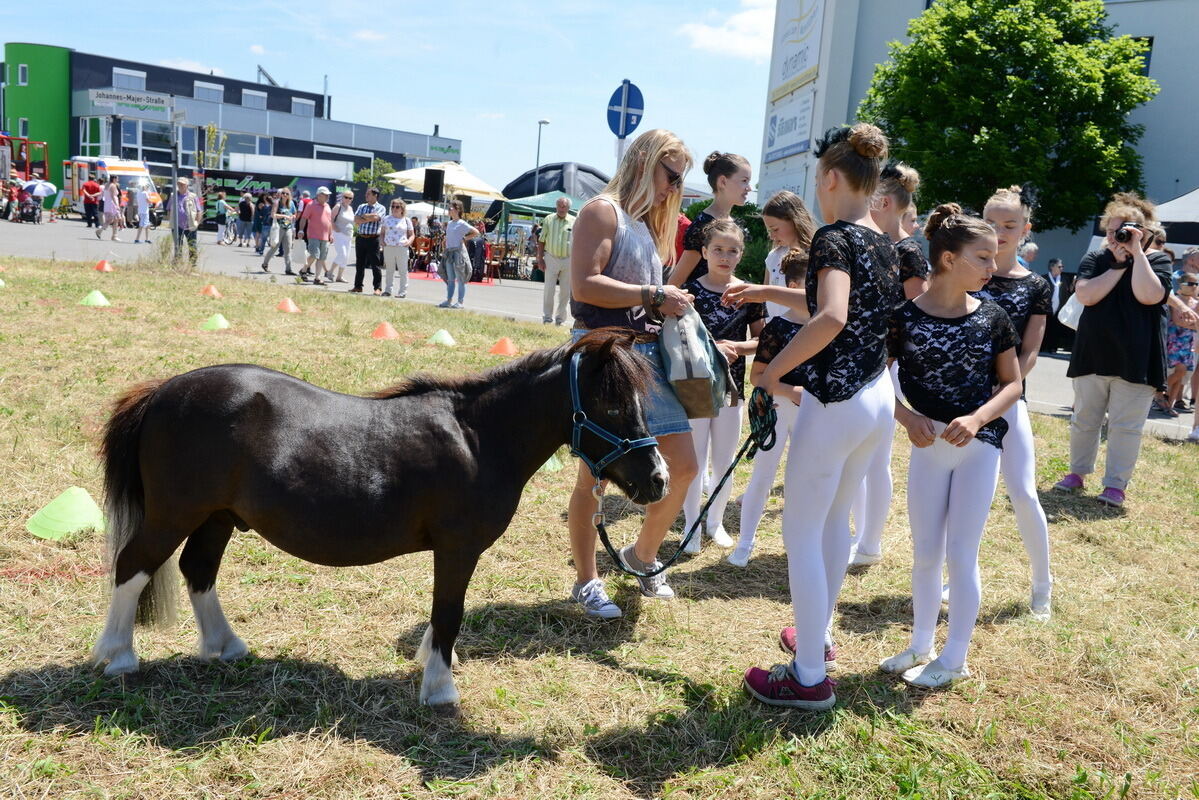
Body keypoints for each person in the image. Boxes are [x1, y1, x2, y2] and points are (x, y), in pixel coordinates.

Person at [731, 123, 901, 710]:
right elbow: (832, 307)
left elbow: (827, 317)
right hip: (875, 398)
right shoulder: (886, 241)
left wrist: (775, 374)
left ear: (830, 179)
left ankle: (807, 676)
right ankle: (818, 636)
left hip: (837, 400)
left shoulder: (833, 238)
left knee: (801, 529)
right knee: (832, 523)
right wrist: (764, 293)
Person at [882, 204, 1022, 688]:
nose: (992, 266)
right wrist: (904, 416)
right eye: (982, 257)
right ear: (946, 259)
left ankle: (954, 657)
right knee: (925, 553)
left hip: (978, 444)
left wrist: (980, 416)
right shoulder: (903, 318)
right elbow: (875, 378)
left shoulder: (994, 316)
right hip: (927, 446)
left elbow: (1013, 385)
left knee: (962, 554)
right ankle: (921, 644)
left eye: (994, 257)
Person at [567, 128, 697, 618]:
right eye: (671, 176)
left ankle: (641, 556)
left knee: (682, 467)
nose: (673, 188)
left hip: (647, 357)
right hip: (605, 357)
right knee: (594, 478)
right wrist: (652, 295)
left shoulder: (642, 224)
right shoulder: (603, 212)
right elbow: (584, 286)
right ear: (645, 163)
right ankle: (586, 580)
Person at [1054, 193, 1173, 507]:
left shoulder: (1158, 260)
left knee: (1126, 427)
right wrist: (1118, 266)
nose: (1116, 237)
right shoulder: (1096, 258)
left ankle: (1115, 486)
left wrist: (1136, 255)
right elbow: (1087, 295)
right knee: (1084, 419)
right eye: (1111, 231)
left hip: (1137, 359)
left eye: (1125, 230)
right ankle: (1077, 474)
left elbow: (1149, 295)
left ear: (1143, 232)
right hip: (1093, 353)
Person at [976, 185, 1054, 619]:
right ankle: (958, 577)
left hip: (1006, 402)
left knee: (1023, 493)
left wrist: (1004, 391)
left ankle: (1042, 584)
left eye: (1009, 225)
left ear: (1026, 229)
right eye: (990, 222)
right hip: (962, 405)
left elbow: (1031, 351)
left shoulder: (1037, 285)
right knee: (969, 499)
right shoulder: (965, 274)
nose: (999, 232)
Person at [847, 161, 930, 570]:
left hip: (891, 361)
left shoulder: (908, 251)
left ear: (882, 202)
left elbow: (916, 311)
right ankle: (861, 536)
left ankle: (870, 542)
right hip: (874, 357)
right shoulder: (875, 246)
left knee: (876, 457)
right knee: (863, 456)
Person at [680, 220, 766, 552]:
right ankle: (690, 525)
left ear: (741, 255)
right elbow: (678, 337)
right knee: (694, 461)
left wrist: (735, 347)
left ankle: (714, 522)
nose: (725, 256)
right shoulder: (691, 291)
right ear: (704, 252)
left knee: (724, 460)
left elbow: (761, 341)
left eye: (733, 250)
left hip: (732, 391)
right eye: (718, 249)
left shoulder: (749, 293)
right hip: (696, 387)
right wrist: (709, 347)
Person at [730, 249, 809, 567]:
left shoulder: (828, 326)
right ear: (790, 287)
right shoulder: (777, 328)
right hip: (778, 409)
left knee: (802, 480)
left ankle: (798, 545)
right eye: (808, 286)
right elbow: (757, 376)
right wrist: (792, 391)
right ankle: (745, 541)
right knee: (763, 475)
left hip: (812, 414)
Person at [668, 152, 751, 287]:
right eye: (744, 181)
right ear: (723, 182)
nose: (749, 188)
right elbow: (675, 282)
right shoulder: (702, 225)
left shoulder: (733, 223)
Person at [759, 191, 818, 319]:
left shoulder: (815, 255)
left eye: (775, 229)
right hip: (774, 330)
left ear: (794, 221)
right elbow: (765, 295)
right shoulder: (773, 256)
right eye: (769, 231)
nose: (771, 236)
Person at [536, 196, 574, 325]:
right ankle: (547, 317)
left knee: (565, 291)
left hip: (568, 259)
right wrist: (540, 259)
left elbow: (579, 242)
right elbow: (541, 240)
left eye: (564, 206)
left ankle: (560, 319)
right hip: (551, 257)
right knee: (549, 289)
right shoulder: (548, 219)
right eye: (559, 206)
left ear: (569, 208)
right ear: (556, 206)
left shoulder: (574, 221)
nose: (561, 209)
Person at [1165, 271, 1198, 414]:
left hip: (1188, 341)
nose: (1194, 287)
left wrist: (1189, 323)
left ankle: (1168, 403)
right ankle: (1159, 392)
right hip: (1174, 340)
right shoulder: (1175, 300)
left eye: (1196, 284)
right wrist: (1191, 323)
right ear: (1181, 284)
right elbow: (1177, 321)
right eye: (1190, 284)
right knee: (1179, 372)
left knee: (1181, 373)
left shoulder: (1196, 303)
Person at [438, 200, 478, 308]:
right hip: (449, 252)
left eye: (451, 208)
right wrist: (445, 241)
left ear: (457, 210)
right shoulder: (450, 223)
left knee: (460, 279)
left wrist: (465, 238)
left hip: (458, 253)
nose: (449, 210)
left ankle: (460, 302)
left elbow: (476, 232)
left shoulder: (462, 223)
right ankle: (449, 300)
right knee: (450, 279)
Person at [351, 188, 386, 294]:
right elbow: (356, 219)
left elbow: (376, 218)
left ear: (375, 195)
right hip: (361, 237)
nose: (366, 195)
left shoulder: (381, 208)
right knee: (359, 264)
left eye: (368, 194)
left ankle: (377, 288)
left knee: (375, 264)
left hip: (373, 239)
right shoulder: (362, 206)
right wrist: (367, 217)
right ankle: (358, 286)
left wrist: (364, 217)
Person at [298, 186, 335, 285]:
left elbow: (329, 222)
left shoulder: (327, 206)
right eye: (325, 195)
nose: (327, 197)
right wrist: (301, 230)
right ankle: (304, 269)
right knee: (314, 255)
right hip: (313, 235)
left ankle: (317, 278)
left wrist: (331, 234)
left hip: (325, 236)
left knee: (321, 258)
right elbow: (304, 218)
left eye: (328, 195)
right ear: (319, 195)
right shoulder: (311, 205)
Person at [380, 197, 414, 297]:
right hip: (389, 247)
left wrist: (408, 242)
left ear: (402, 208)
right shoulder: (386, 218)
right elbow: (382, 233)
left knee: (403, 271)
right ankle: (388, 290)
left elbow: (412, 234)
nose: (394, 208)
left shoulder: (406, 220)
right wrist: (382, 241)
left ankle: (402, 292)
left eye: (397, 206)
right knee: (389, 270)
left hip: (401, 247)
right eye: (393, 206)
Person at [1040, 258, 1075, 354]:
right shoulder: (1044, 278)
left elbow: (1068, 292)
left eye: (1062, 266)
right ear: (1052, 267)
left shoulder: (1064, 279)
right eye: (1059, 266)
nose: (1062, 268)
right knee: (1045, 329)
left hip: (1059, 309)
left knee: (1056, 330)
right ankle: (1043, 347)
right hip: (1046, 309)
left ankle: (1053, 347)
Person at [261, 188, 297, 275]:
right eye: (283, 193)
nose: (285, 195)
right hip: (279, 228)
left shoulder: (291, 203)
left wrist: (293, 216)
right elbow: (273, 214)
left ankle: (288, 269)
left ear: (289, 195)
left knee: (288, 249)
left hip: (288, 227)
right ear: (280, 194)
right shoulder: (277, 202)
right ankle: (265, 263)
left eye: (287, 194)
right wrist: (284, 216)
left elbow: (295, 213)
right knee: (274, 247)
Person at [167, 177, 202, 264]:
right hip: (177, 226)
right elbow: (168, 209)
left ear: (187, 185)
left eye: (182, 184)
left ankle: (192, 264)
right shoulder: (173, 195)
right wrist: (170, 220)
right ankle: (178, 262)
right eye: (179, 184)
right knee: (177, 245)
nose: (180, 186)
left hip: (190, 226)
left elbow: (199, 210)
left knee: (192, 245)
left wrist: (197, 222)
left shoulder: (193, 196)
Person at [329, 191, 355, 283]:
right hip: (339, 234)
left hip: (349, 235)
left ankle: (339, 276)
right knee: (342, 255)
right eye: (346, 197)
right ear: (342, 197)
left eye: (350, 198)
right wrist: (334, 227)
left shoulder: (351, 208)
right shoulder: (338, 206)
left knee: (346, 257)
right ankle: (330, 271)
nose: (347, 199)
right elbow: (331, 218)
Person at [101, 176, 123, 241]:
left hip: (107, 203)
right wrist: (117, 205)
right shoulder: (113, 185)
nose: (118, 180)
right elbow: (113, 196)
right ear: (114, 179)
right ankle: (114, 236)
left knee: (112, 219)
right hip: (112, 203)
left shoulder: (106, 185)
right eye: (117, 178)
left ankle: (101, 230)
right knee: (117, 219)